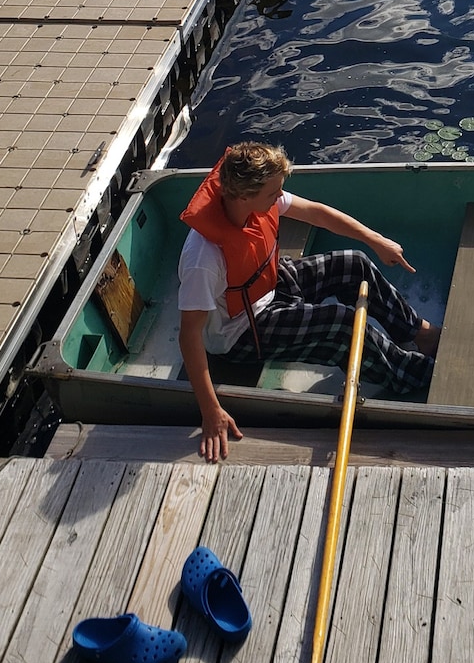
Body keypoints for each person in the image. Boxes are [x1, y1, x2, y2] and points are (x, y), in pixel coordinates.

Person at [178, 142, 439, 461]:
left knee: (353, 264)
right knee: (341, 325)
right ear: (245, 195)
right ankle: (409, 373)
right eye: (274, 194)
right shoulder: (204, 258)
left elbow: (314, 212)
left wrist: (375, 240)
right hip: (241, 332)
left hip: (268, 287)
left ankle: (420, 332)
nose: (280, 197)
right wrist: (211, 410)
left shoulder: (256, 198)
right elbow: (189, 335)